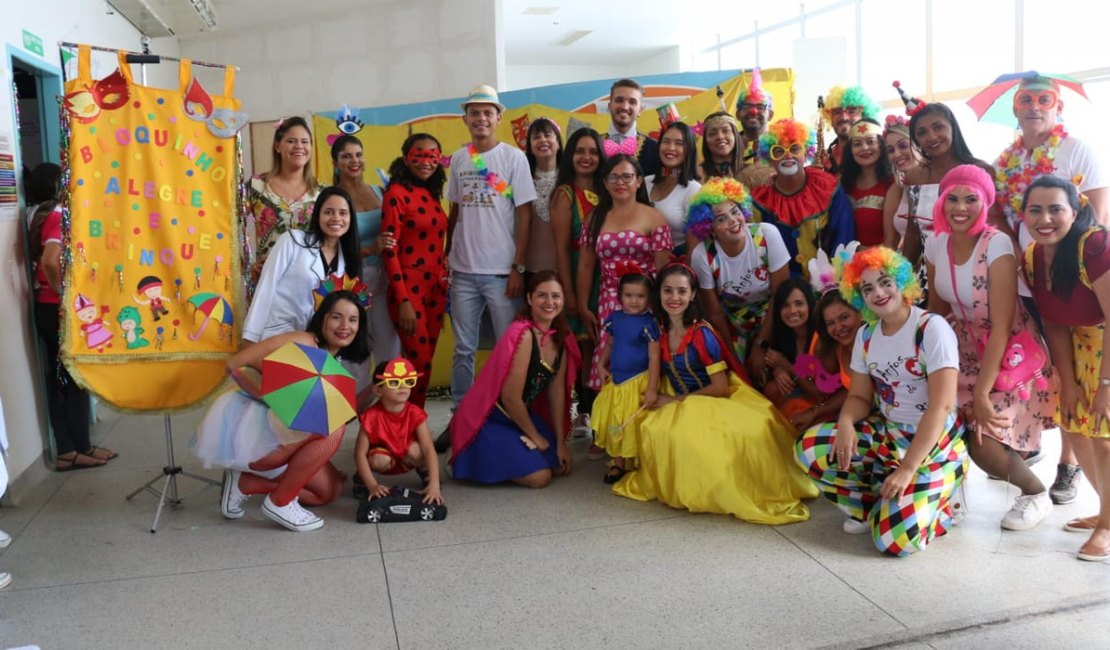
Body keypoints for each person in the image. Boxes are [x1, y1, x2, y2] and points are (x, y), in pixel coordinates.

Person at [611, 262, 816, 524]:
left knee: (719, 438)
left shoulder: (701, 335)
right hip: (681, 399)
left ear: (693, 295)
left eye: (682, 291)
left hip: (711, 398)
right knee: (655, 429)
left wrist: (673, 401)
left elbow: (720, 387)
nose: (675, 298)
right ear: (658, 294)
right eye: (668, 291)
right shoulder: (658, 333)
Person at [795, 247, 968, 556]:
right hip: (889, 435)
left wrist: (907, 469)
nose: (878, 292)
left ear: (902, 281)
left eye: (885, 282)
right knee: (810, 449)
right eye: (867, 288)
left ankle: (944, 508)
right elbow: (860, 396)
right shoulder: (866, 336)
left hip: (936, 445)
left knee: (893, 543)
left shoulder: (931, 329)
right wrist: (846, 422)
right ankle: (871, 510)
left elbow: (940, 407)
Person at [992, 74, 1109, 505]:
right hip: (1032, 276)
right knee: (1061, 384)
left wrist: (1074, 261)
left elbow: (1094, 213)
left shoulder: (1076, 149)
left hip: (1080, 279)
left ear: (1058, 107)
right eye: (1026, 99)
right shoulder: (1005, 160)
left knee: (1091, 395)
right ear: (1016, 108)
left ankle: (1070, 467)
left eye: (1045, 99)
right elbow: (1004, 219)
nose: (1035, 106)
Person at [925, 165, 1058, 530]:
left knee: (982, 441)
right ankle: (947, 492)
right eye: (952, 198)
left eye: (971, 199)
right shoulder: (936, 241)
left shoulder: (996, 243)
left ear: (984, 203)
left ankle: (1035, 494)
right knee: (939, 420)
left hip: (1006, 350)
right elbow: (936, 312)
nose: (960, 207)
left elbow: (1001, 325)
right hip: (961, 348)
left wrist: (981, 393)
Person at [196, 290, 370, 532]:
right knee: (334, 430)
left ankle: (245, 484)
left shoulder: (334, 363)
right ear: (322, 318)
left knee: (329, 492)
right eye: (336, 317)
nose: (345, 326)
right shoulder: (303, 341)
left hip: (289, 440)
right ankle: (280, 502)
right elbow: (234, 364)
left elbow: (337, 412)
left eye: (353, 320)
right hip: (260, 440)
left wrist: (375, 389)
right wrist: (271, 397)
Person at [1021, 176, 1110, 561]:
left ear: (1074, 212)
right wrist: (1068, 381)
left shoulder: (1096, 246)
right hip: (1075, 346)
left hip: (1106, 344)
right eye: (1035, 209)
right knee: (1076, 429)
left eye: (1056, 209)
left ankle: (1107, 525)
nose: (1045, 218)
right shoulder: (1031, 257)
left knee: (1103, 438)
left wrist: (1105, 384)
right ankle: (1107, 510)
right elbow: (1054, 322)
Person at [446, 84, 537, 411]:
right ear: (465, 118)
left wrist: (518, 267)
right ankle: (460, 412)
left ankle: (507, 409)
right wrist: (447, 254)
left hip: (501, 273)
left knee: (506, 348)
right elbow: (455, 210)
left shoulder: (513, 158)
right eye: (474, 112)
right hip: (463, 272)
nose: (481, 118)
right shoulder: (459, 158)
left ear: (498, 117)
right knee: (463, 349)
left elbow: (524, 213)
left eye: (488, 112)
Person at [449, 271, 580, 487]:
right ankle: (477, 456)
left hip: (517, 417)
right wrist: (535, 437)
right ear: (529, 299)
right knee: (540, 478)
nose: (549, 302)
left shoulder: (562, 337)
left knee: (559, 465)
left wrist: (560, 442)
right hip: (490, 419)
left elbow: (556, 394)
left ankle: (515, 451)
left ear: (563, 300)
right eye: (542, 295)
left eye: (556, 296)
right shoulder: (523, 334)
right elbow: (510, 398)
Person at [29, 195, 115, 470]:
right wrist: (64, 295)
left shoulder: (63, 216)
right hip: (56, 312)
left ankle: (82, 445)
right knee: (67, 382)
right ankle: (68, 451)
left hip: (62, 311)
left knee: (75, 380)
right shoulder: (58, 217)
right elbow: (50, 261)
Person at [577, 155, 672, 393]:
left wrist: (662, 310)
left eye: (627, 176)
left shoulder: (654, 217)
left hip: (646, 303)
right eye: (614, 177)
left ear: (639, 181)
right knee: (609, 357)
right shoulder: (594, 218)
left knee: (643, 356)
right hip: (609, 300)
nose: (621, 182)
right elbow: (586, 266)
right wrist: (581, 305)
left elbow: (664, 271)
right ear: (606, 183)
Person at [686, 177, 789, 367]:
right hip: (732, 326)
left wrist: (761, 345)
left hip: (773, 317)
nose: (733, 221)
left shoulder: (767, 234)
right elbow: (715, 314)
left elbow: (781, 295)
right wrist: (733, 360)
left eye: (735, 211)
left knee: (773, 371)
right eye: (721, 218)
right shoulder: (702, 255)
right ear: (710, 228)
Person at [381, 133, 449, 409]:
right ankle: (411, 426)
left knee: (425, 362)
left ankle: (412, 425)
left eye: (433, 155)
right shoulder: (396, 194)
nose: (426, 161)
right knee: (418, 362)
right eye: (419, 154)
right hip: (409, 289)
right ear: (406, 157)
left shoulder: (431, 195)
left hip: (436, 290)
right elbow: (390, 250)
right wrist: (404, 300)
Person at [242, 187, 362, 343]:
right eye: (328, 212)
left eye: (343, 213)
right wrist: (251, 337)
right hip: (276, 337)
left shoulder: (348, 261)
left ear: (351, 218)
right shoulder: (292, 240)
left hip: (316, 344)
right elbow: (265, 288)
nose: (336, 218)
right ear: (317, 215)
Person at [550, 127, 605, 437]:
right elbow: (559, 249)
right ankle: (585, 412)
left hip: (606, 280)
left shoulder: (608, 189)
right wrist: (569, 296)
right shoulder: (564, 194)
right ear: (570, 156)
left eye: (593, 152)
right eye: (580, 151)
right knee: (584, 353)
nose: (587, 157)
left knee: (603, 350)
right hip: (576, 278)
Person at [895, 102, 993, 273]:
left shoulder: (980, 171)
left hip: (975, 271)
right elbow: (913, 234)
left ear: (952, 127)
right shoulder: (914, 176)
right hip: (928, 275)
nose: (931, 137)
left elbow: (993, 227)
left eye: (938, 127)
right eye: (922, 132)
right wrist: (902, 277)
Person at [751, 119, 856, 277]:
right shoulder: (760, 201)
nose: (788, 155)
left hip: (830, 284)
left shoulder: (828, 186)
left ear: (806, 152)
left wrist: (833, 279)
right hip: (785, 288)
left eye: (795, 148)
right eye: (778, 151)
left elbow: (843, 235)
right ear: (769, 159)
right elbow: (759, 252)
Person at [331, 134, 400, 368]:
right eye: (346, 156)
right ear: (335, 163)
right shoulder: (333, 198)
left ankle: (387, 401)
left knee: (389, 346)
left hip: (384, 281)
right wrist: (371, 248)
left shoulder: (380, 191)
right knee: (354, 349)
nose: (354, 160)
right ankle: (354, 403)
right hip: (352, 283)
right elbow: (331, 246)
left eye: (358, 155)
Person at [590, 266, 660, 484]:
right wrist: (601, 364)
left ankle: (638, 462)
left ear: (648, 298)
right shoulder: (615, 319)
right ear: (620, 296)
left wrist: (651, 388)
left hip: (638, 382)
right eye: (629, 295)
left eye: (640, 296)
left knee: (634, 424)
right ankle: (618, 462)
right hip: (617, 382)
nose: (634, 301)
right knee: (616, 423)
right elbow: (610, 343)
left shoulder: (649, 323)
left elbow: (654, 358)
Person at [354, 358, 443, 505]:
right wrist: (372, 485)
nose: (403, 387)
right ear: (378, 390)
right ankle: (362, 477)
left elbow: (429, 449)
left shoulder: (415, 413)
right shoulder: (371, 416)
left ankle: (424, 470)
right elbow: (359, 454)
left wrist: (434, 485)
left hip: (407, 456)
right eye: (394, 382)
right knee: (378, 459)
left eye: (408, 381)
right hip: (382, 457)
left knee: (417, 450)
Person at [247, 116, 321, 286]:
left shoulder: (320, 192)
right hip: (267, 279)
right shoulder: (256, 186)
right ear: (277, 146)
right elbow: (227, 227)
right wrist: (246, 266)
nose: (299, 146)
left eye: (305, 141)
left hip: (309, 282)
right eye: (291, 141)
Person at [759, 278, 818, 416]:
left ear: (809, 304)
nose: (792, 311)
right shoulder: (782, 332)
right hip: (798, 390)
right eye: (785, 305)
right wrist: (778, 370)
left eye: (799, 304)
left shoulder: (820, 336)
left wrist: (785, 365)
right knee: (772, 389)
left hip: (822, 396)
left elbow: (819, 392)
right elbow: (773, 359)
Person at [645, 118, 701, 255]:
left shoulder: (694, 190)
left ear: (689, 150)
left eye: (679, 143)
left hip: (675, 266)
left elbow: (694, 250)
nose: (671, 148)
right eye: (666, 141)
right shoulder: (645, 182)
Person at [840, 118, 894, 246]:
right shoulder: (843, 184)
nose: (864, 148)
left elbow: (892, 239)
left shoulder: (893, 183)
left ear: (881, 145)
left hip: (882, 262)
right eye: (857, 144)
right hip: (846, 262)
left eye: (871, 142)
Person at [524, 117, 564, 278]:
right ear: (530, 147)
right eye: (536, 137)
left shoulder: (571, 180)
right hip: (527, 269)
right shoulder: (521, 180)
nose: (543, 140)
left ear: (559, 143)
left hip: (564, 269)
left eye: (548, 135)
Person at [881, 113, 926, 250]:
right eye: (890, 150)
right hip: (908, 266)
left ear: (918, 144)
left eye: (903, 145)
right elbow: (890, 242)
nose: (896, 154)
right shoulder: (896, 189)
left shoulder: (938, 181)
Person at [601, 78, 659, 177]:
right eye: (619, 100)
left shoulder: (655, 149)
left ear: (640, 110)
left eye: (632, 102)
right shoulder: (594, 145)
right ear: (610, 106)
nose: (625, 107)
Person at [821, 85, 881, 176]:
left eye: (852, 111)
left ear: (864, 115)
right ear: (830, 118)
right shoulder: (824, 158)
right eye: (837, 112)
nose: (844, 117)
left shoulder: (877, 153)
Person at [735, 68, 774, 177]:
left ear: (770, 115)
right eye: (747, 106)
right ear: (738, 114)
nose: (753, 111)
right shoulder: (730, 146)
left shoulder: (780, 146)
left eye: (760, 107)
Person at [698, 111, 744, 183]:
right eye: (712, 133)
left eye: (726, 131)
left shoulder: (751, 173)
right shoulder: (696, 175)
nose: (720, 137)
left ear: (735, 135)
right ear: (705, 141)